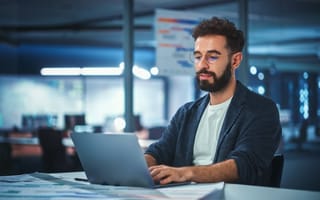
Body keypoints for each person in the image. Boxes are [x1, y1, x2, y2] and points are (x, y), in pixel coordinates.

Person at [144, 17, 282, 186]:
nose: (202, 65)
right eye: (197, 56)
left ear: (235, 60)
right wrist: (141, 166)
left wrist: (185, 173)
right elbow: (159, 151)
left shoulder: (261, 110)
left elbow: (244, 165)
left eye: (212, 57)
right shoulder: (186, 113)